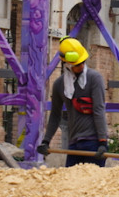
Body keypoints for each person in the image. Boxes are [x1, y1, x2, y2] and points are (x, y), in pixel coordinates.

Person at [37, 37, 110, 167]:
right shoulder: (60, 84)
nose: (81, 66)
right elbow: (55, 115)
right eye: (77, 65)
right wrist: (46, 141)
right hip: (74, 143)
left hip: (93, 142)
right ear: (67, 64)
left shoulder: (94, 78)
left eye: (83, 62)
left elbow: (99, 110)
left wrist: (103, 142)